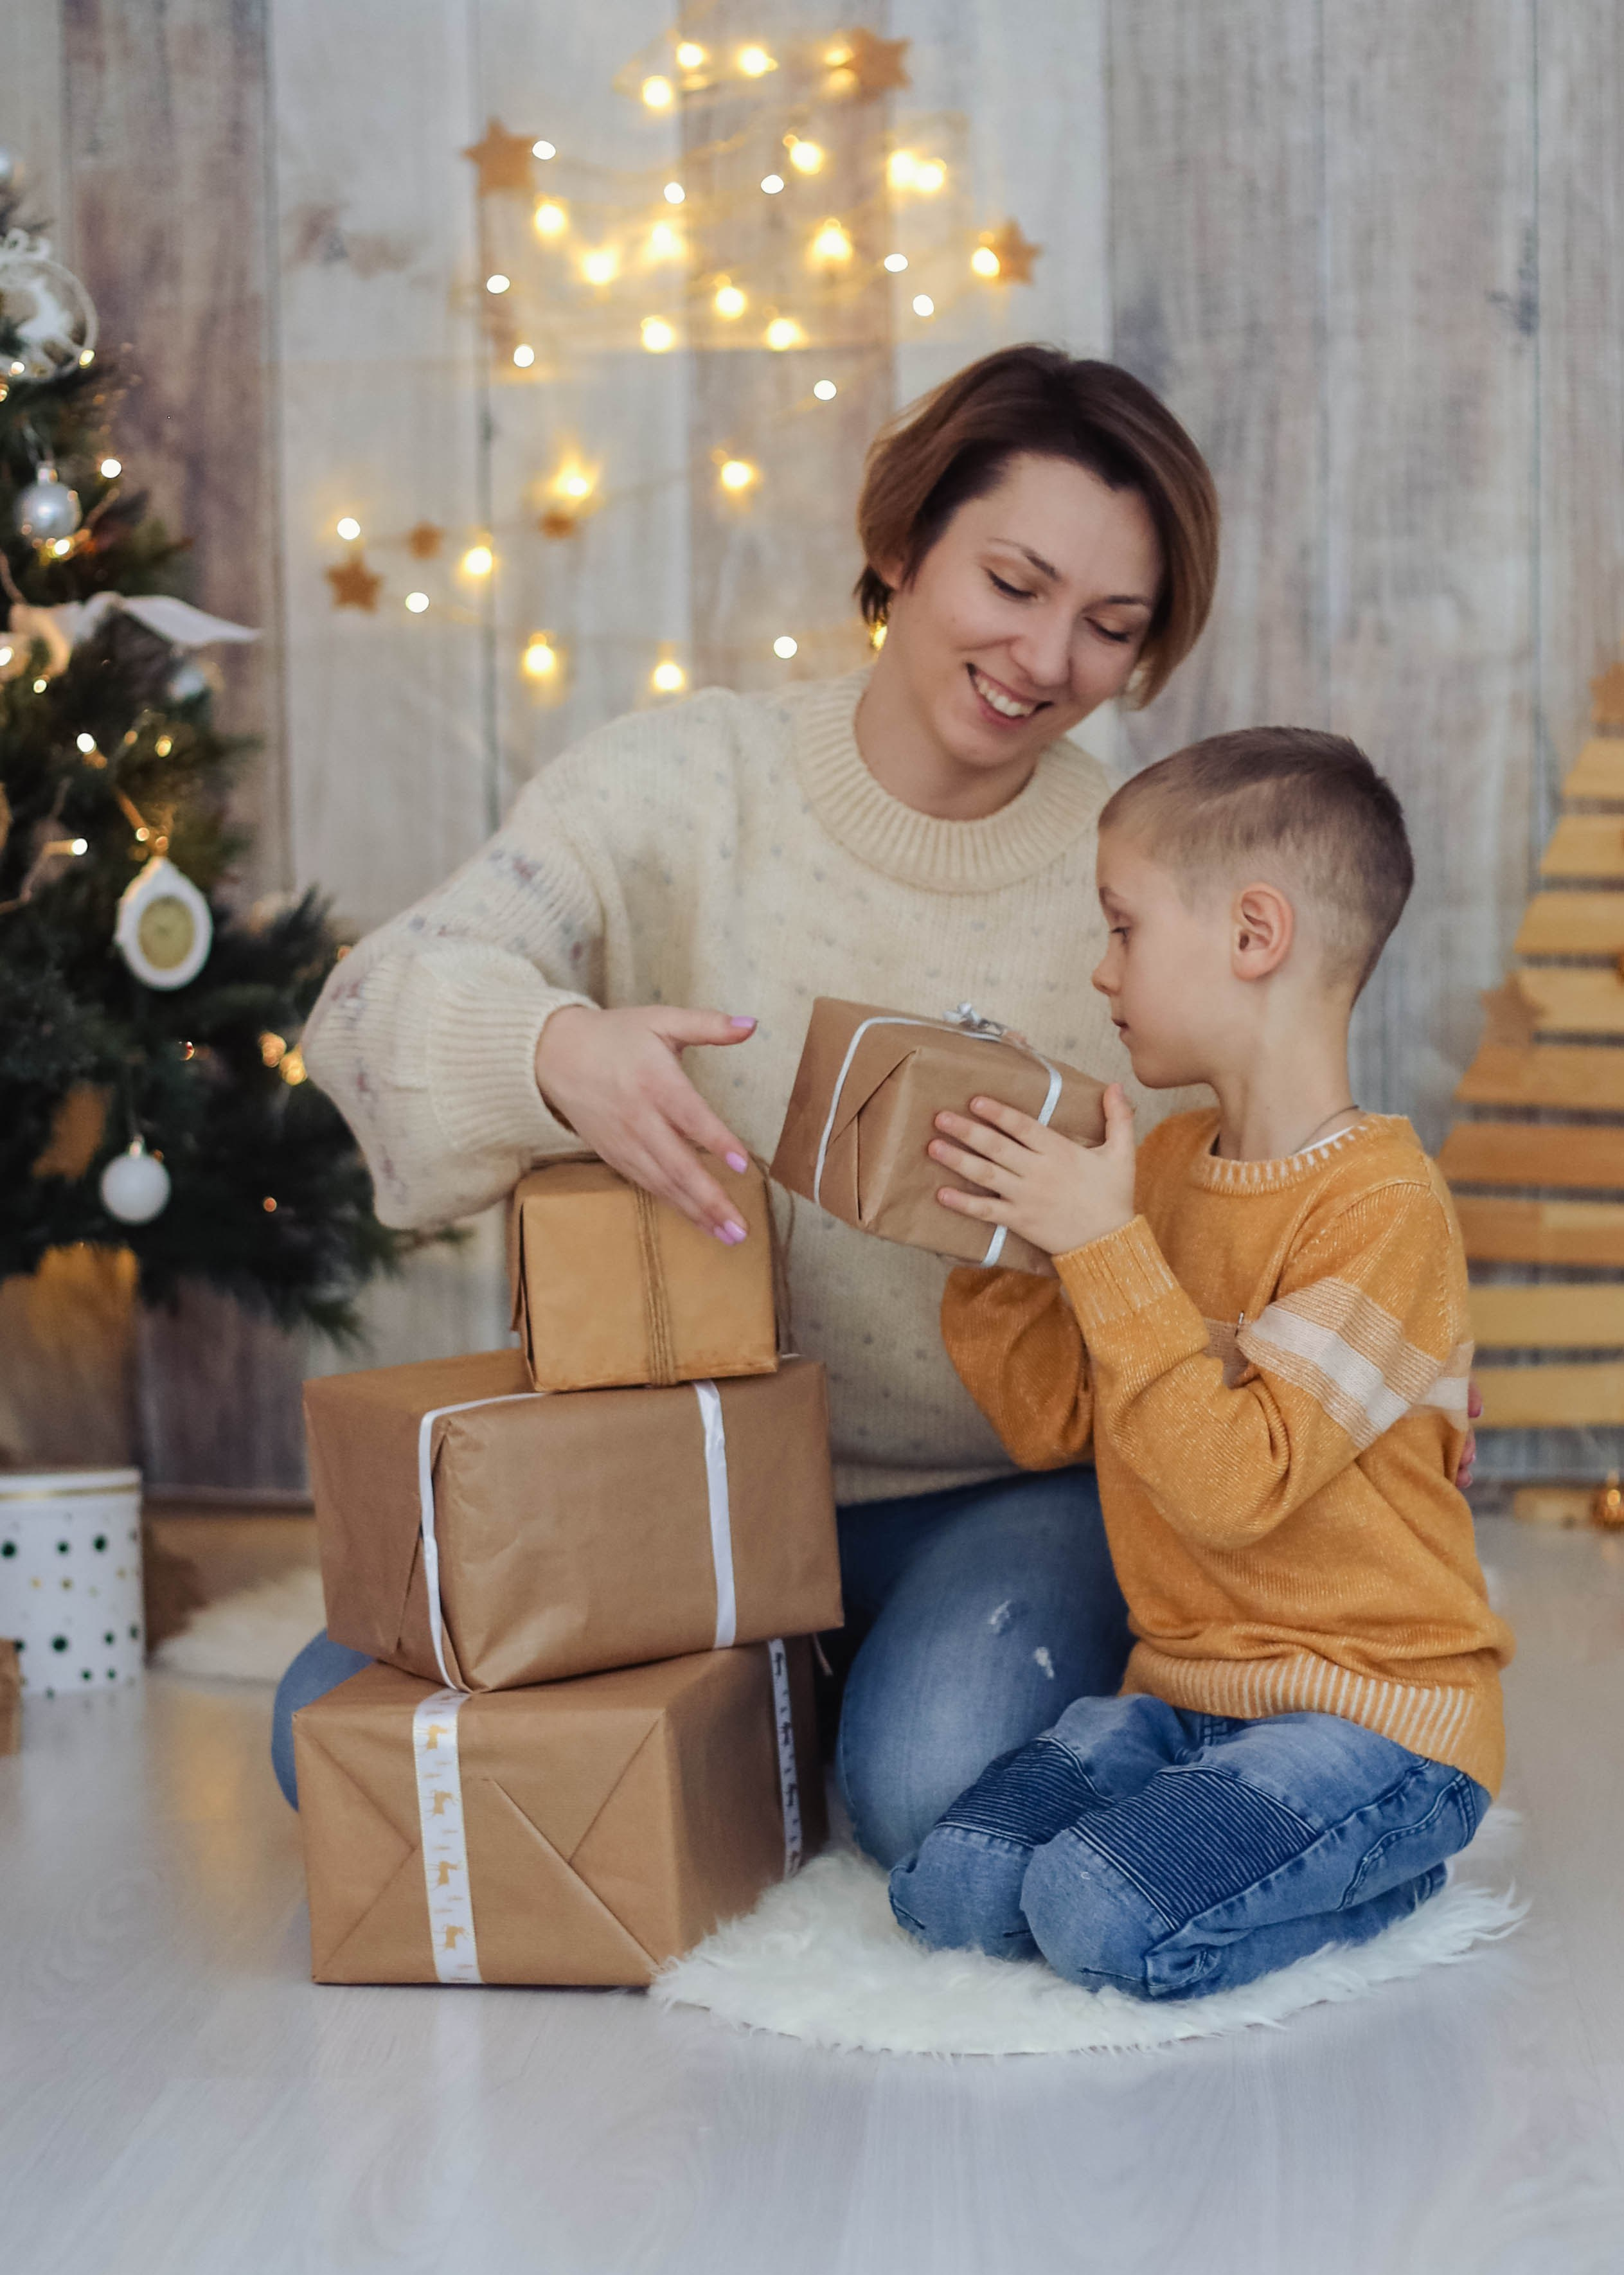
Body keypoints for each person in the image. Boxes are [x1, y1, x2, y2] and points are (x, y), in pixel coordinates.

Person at [273, 346, 1222, 1848]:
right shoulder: (680, 784)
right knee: (329, 1730)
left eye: (1111, 626)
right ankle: (772, 1693)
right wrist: (554, 1052)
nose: (1048, 660)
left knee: (927, 1789)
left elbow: (1269, 1171)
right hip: (686, 1476)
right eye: (1013, 583)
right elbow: (371, 1002)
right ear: (903, 546)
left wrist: (1390, 1353)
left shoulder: (1143, 870)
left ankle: (819, 1708)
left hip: (1002, 1488)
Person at [891, 727, 1512, 1998]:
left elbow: (1237, 1483)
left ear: (1253, 935)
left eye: (1122, 927)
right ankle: (1229, 1830)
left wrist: (1104, 1245)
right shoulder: (1162, 1166)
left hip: (1371, 1711)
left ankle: (1391, 1860)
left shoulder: (1383, 1207)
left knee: (1090, 1907)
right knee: (948, 1881)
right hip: (1178, 1691)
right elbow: (1053, 1414)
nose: (1100, 966)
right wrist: (997, 1237)